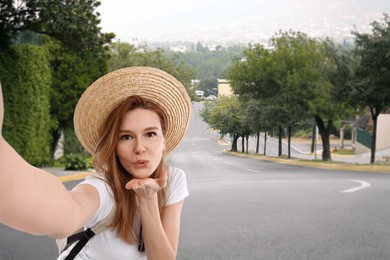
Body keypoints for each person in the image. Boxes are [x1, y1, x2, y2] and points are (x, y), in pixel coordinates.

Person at [0, 66, 191, 260]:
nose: (140, 147)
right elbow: (69, 212)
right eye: (126, 137)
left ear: (164, 140)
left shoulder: (173, 179)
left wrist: (148, 198)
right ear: (114, 145)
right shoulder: (103, 187)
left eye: (150, 134)